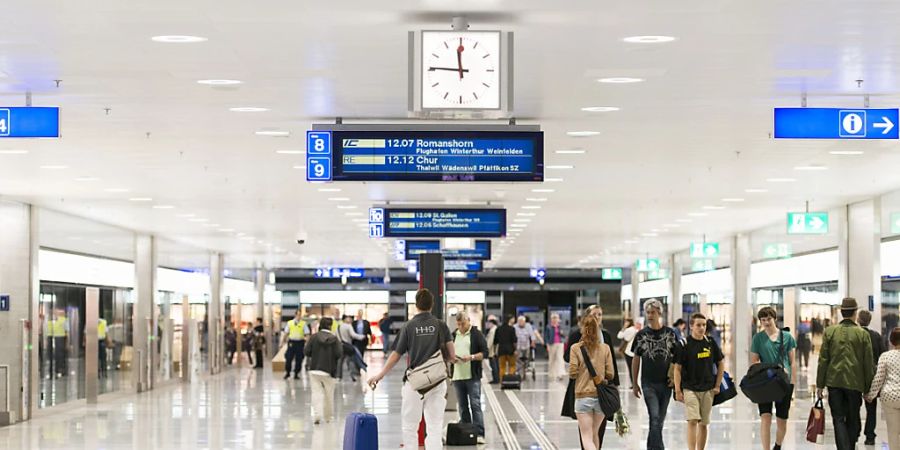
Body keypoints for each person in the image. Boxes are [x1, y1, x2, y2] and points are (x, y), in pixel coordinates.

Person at [367, 289, 455, 450]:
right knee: (435, 426)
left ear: (416, 305)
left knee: (409, 426)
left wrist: (379, 375)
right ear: (432, 305)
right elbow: (451, 355)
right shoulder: (441, 325)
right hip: (437, 381)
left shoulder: (409, 326)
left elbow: (395, 355)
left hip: (414, 383)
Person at [816, 297, 875, 450]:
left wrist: (820, 385)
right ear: (855, 313)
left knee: (838, 419)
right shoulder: (862, 334)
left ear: (842, 313)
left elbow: (823, 360)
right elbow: (867, 363)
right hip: (855, 384)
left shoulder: (830, 332)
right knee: (852, 418)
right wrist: (869, 388)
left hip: (834, 382)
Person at [563, 305, 620, 449]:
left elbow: (572, 372)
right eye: (595, 314)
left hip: (587, 393)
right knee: (593, 433)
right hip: (599, 391)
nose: (598, 317)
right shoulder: (577, 336)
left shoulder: (603, 336)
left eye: (600, 314)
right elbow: (610, 370)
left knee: (589, 435)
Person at [631, 299, 678, 450]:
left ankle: (651, 447)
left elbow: (677, 359)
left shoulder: (670, 334)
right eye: (648, 312)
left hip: (666, 383)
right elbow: (636, 359)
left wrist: (676, 381)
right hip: (648, 383)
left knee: (659, 420)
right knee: (655, 417)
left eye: (653, 312)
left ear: (659, 313)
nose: (650, 315)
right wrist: (634, 383)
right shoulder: (641, 335)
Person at [674, 313, 725, 450]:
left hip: (708, 389)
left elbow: (720, 363)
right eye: (698, 325)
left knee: (703, 423)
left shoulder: (710, 342)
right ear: (691, 326)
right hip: (690, 388)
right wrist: (678, 390)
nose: (702, 328)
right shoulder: (684, 345)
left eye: (704, 325)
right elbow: (677, 369)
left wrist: (718, 385)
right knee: (692, 420)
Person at [749, 306, 797, 450]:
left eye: (769, 319)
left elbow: (792, 362)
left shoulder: (787, 337)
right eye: (763, 320)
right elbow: (754, 360)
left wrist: (792, 384)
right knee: (765, 417)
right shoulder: (758, 338)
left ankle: (778, 445)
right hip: (765, 382)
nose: (766, 323)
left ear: (774, 318)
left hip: (783, 382)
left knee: (782, 419)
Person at [451, 313, 488, 444]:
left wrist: (471, 357)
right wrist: (452, 359)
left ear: (468, 321)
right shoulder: (454, 334)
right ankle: (467, 432)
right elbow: (448, 352)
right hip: (457, 375)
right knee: (462, 406)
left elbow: (485, 353)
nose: (461, 327)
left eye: (463, 324)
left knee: (475, 404)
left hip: (472, 376)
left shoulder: (476, 334)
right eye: (458, 324)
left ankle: (480, 433)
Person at [865, 327, 900, 450]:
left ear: (891, 341)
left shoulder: (885, 356)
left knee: (893, 431)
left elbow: (878, 378)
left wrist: (870, 395)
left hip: (889, 397)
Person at [304, 317, 342, 425]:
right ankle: (328, 417)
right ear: (330, 326)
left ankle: (317, 415)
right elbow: (339, 354)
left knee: (316, 393)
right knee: (329, 394)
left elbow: (306, 351)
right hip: (329, 370)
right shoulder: (334, 339)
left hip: (314, 369)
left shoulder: (314, 337)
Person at [858, 310, 886, 446]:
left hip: (855, 377)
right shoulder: (876, 336)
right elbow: (883, 356)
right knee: (871, 408)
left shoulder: (855, 335)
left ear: (858, 319)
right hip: (871, 377)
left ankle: (854, 433)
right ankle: (870, 436)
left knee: (853, 407)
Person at [337, 315, 367, 382]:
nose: (350, 320)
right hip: (348, 346)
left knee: (340, 361)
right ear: (345, 319)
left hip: (340, 345)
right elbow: (353, 335)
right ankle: (352, 375)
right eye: (349, 318)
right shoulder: (348, 326)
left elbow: (336, 335)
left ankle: (339, 376)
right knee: (351, 360)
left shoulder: (339, 326)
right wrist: (362, 337)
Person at [280, 310, 309, 380]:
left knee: (299, 358)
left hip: (300, 342)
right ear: (295, 315)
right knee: (289, 358)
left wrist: (307, 343)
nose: (299, 316)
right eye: (298, 315)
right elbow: (286, 333)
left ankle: (296, 373)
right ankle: (288, 373)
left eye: (300, 315)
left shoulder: (303, 324)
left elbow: (307, 334)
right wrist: (282, 342)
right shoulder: (290, 323)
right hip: (292, 342)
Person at [47, 309, 69, 378]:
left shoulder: (63, 320)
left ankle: (61, 370)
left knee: (60, 355)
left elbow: (67, 331)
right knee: (57, 355)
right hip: (55, 338)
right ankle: (57, 370)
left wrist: (67, 342)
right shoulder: (52, 321)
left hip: (61, 338)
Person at [545, 313, 567, 381]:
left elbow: (564, 335)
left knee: (560, 359)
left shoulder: (560, 326)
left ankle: (560, 374)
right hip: (552, 344)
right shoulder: (548, 327)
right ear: (551, 319)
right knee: (552, 359)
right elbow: (546, 337)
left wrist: (562, 333)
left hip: (560, 344)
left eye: (556, 318)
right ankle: (552, 374)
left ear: (558, 319)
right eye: (553, 318)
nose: (555, 319)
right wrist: (547, 344)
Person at [617, 318, 639, 388]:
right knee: (635, 368)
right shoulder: (635, 329)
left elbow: (619, 336)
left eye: (626, 322)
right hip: (635, 352)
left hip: (628, 351)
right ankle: (635, 383)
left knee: (630, 368)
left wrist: (623, 328)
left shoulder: (627, 330)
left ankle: (633, 384)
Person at [496, 315, 517, 380]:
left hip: (501, 350)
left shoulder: (498, 329)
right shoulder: (512, 329)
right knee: (512, 365)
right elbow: (514, 341)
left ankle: (502, 380)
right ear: (509, 320)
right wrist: (515, 349)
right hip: (510, 350)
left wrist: (495, 351)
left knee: (502, 367)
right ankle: (511, 379)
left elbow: (495, 341)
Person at [484, 317, 500, 383]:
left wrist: (486, 349)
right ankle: (496, 378)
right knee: (495, 365)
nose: (487, 325)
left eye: (488, 323)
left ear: (492, 323)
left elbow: (490, 342)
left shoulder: (493, 331)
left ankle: (496, 379)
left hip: (492, 351)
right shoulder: (494, 329)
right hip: (494, 351)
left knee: (494, 366)